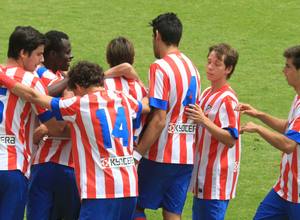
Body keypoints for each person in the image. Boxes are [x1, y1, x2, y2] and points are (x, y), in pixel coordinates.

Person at [0, 61, 150, 220]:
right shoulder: (125, 99)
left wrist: (3, 77)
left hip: (100, 190)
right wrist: (140, 83)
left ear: (78, 86)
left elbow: (34, 96)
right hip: (130, 188)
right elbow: (146, 106)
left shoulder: (80, 104)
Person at [133, 12, 201, 220]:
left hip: (160, 155)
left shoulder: (160, 67)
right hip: (186, 157)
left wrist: (137, 155)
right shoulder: (193, 69)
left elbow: (160, 119)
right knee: (173, 213)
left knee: (133, 204)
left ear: (157, 35)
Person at [0, 26, 65, 220]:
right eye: (38, 54)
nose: (42, 60)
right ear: (22, 53)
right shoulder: (30, 80)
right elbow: (54, 126)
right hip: (12, 167)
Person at [237, 45, 300, 220]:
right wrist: (259, 115)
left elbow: (289, 145)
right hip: (284, 189)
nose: (283, 71)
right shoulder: (297, 98)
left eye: (288, 67)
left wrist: (258, 129)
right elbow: (289, 127)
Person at [27, 30, 80, 220]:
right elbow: (42, 95)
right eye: (67, 52)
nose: (70, 56)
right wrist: (71, 79)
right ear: (52, 55)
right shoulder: (43, 74)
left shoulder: (58, 75)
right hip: (56, 163)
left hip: (47, 163)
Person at [186, 43, 240, 220]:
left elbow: (231, 139)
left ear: (228, 68)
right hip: (203, 176)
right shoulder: (207, 92)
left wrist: (204, 120)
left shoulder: (228, 100)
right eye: (209, 62)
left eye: (217, 64)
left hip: (217, 180)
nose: (210, 67)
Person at [104, 36, 147, 141]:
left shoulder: (102, 85)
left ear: (107, 59)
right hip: (134, 147)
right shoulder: (141, 87)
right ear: (133, 58)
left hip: (109, 147)